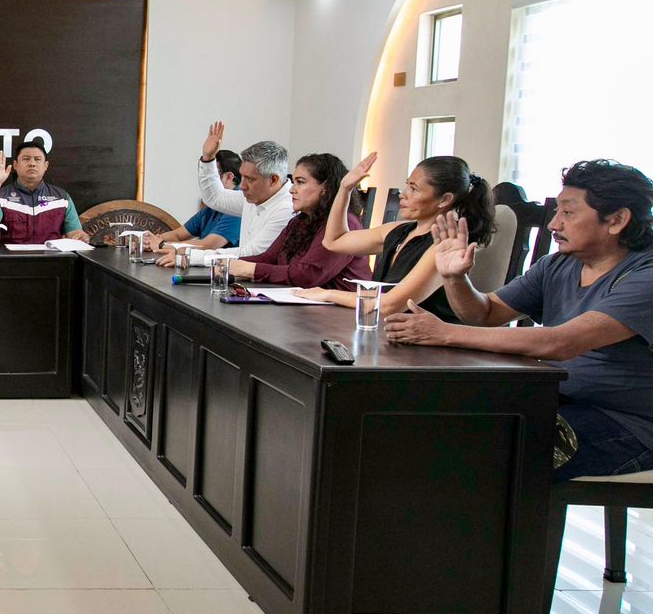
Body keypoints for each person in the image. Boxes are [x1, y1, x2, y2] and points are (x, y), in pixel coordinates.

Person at [386, 160, 653, 482]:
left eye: (568, 213)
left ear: (617, 220)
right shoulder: (557, 265)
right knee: (431, 419)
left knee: (488, 453)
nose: (553, 224)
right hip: (553, 396)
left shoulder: (646, 274)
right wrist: (454, 278)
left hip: (628, 423)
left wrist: (444, 333)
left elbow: (560, 343)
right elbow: (485, 314)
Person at [296, 153, 494, 318]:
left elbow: (390, 305)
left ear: (444, 199)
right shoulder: (399, 230)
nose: (403, 194)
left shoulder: (444, 245)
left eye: (414, 189)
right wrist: (345, 189)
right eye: (407, 185)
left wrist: (327, 294)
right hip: (388, 331)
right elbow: (333, 241)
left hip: (425, 343)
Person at [227, 153, 371, 289]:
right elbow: (269, 258)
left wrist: (252, 270)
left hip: (339, 306)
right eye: (293, 182)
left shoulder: (345, 224)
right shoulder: (299, 221)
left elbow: (308, 275)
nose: (292, 190)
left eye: (300, 182)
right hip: (301, 301)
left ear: (325, 188)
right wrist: (226, 265)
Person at [158, 124, 293, 268]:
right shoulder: (256, 197)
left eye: (250, 179)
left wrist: (190, 257)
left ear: (273, 180)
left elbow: (251, 254)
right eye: (242, 177)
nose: (242, 186)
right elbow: (215, 198)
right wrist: (208, 158)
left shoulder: (286, 208)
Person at [0, 140, 89, 244]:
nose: (32, 163)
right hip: (11, 257)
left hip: (51, 257)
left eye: (37, 159)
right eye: (26, 159)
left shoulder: (62, 198)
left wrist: (81, 237)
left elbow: (74, 233)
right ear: (15, 165)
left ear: (46, 166)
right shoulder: (2, 195)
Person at [144, 149, 243, 253]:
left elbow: (207, 245)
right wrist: (149, 241)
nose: (206, 181)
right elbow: (177, 235)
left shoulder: (236, 208)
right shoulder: (213, 206)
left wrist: (161, 244)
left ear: (229, 177)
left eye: (212, 175)